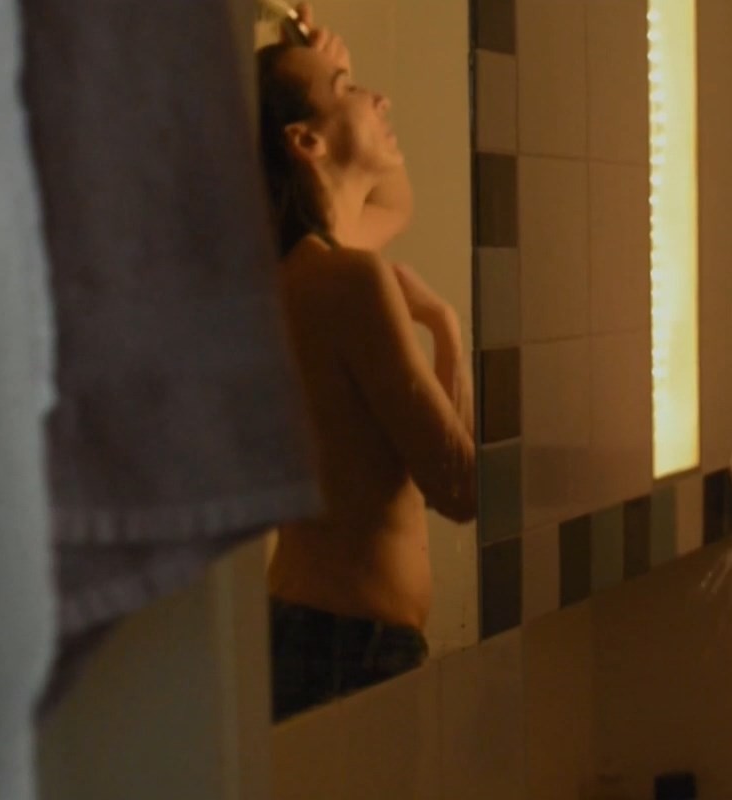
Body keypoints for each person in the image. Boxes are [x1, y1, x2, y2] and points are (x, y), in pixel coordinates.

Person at [254, 4, 477, 722]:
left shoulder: (294, 272)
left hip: (307, 630)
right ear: (305, 139)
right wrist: (446, 330)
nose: (378, 98)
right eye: (350, 89)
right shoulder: (350, 279)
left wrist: (324, 67)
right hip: (351, 650)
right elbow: (459, 487)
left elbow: (396, 201)